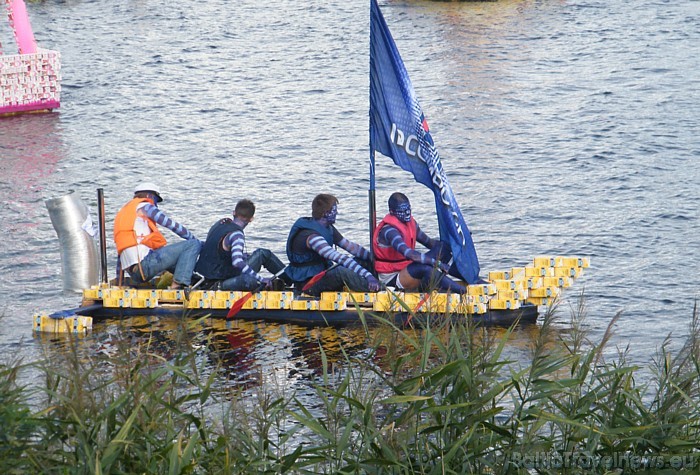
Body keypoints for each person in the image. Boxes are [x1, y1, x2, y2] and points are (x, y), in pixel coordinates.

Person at [286, 193, 381, 295]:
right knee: (341, 272)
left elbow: (352, 248)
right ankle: (378, 289)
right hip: (309, 284)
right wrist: (367, 275)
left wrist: (375, 258)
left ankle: (382, 281)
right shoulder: (312, 238)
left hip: (322, 272)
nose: (337, 213)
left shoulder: (328, 228)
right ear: (325, 213)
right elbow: (339, 257)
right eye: (334, 210)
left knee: (362, 261)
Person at [113, 182, 202, 289]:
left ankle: (196, 280)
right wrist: (197, 242)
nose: (156, 204)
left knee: (177, 256)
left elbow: (120, 253)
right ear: (149, 196)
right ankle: (178, 285)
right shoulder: (144, 206)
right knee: (192, 245)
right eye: (155, 200)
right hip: (145, 266)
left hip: (135, 273)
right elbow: (171, 224)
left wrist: (120, 282)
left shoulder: (124, 214)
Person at [372, 192, 465, 293]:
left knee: (442, 249)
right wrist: (437, 263)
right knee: (425, 268)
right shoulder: (389, 231)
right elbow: (409, 254)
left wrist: (455, 242)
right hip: (392, 277)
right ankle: (462, 291)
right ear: (392, 212)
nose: (407, 213)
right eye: (402, 211)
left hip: (406, 267)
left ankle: (469, 278)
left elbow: (429, 243)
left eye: (408, 209)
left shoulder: (410, 223)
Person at [194, 199, 287, 291]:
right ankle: (293, 280)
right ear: (251, 219)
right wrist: (261, 278)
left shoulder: (220, 223)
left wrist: (242, 256)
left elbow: (216, 248)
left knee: (262, 254)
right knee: (251, 280)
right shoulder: (237, 235)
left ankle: (289, 278)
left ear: (234, 213)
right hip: (221, 278)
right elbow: (237, 262)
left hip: (208, 273)